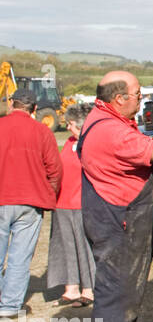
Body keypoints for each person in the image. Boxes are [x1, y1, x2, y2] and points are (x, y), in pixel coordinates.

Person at [78, 71, 153, 322]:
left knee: (118, 289)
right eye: (136, 93)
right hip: (117, 219)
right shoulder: (111, 132)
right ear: (119, 99)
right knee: (115, 290)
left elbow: (147, 146)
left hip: (113, 215)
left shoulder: (104, 121)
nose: (141, 98)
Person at [0, 88, 62, 318]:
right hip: (30, 201)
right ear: (34, 109)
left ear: (11, 105)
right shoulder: (42, 131)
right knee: (20, 256)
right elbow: (55, 169)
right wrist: (49, 193)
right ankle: (9, 306)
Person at [49, 103, 95, 307]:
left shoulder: (91, 143)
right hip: (62, 203)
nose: (68, 128)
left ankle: (89, 288)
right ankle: (71, 288)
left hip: (82, 203)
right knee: (66, 246)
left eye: (71, 124)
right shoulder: (69, 142)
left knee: (84, 248)